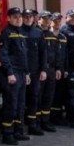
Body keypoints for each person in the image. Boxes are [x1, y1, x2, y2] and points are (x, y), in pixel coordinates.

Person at [0, 7, 31, 145]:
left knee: (20, 104)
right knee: (11, 105)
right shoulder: (6, 33)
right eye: (15, 16)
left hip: (21, 73)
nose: (18, 19)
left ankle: (18, 131)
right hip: (12, 73)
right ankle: (7, 135)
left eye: (19, 16)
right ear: (9, 18)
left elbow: (24, 56)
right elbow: (4, 55)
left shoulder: (21, 32)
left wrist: (27, 72)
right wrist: (9, 73)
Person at [22, 8, 45, 136]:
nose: (28, 18)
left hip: (35, 71)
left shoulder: (38, 32)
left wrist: (43, 70)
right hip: (21, 71)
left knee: (34, 98)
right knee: (20, 100)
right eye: (25, 16)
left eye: (30, 16)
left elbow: (43, 53)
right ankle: (19, 127)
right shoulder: (18, 31)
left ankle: (32, 125)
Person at [37, 12, 59, 133]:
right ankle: (37, 122)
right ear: (39, 20)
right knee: (38, 96)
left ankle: (45, 121)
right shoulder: (36, 33)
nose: (47, 21)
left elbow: (56, 53)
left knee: (48, 97)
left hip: (51, 69)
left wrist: (58, 68)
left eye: (48, 19)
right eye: (44, 19)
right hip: (40, 70)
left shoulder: (51, 35)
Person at [49, 12, 69, 126]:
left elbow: (65, 55)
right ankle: (49, 117)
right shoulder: (47, 35)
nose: (57, 23)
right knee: (50, 94)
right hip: (50, 69)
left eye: (59, 21)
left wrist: (65, 69)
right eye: (55, 21)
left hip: (61, 70)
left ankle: (58, 117)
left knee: (59, 94)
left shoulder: (63, 37)